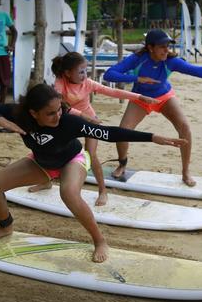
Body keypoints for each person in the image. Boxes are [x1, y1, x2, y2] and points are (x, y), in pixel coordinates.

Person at [0, 83, 186, 262]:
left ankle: (99, 240)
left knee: (69, 194)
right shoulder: (18, 114)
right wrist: (0, 119)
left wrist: (152, 137)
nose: (58, 116)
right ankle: (6, 227)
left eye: (60, 109)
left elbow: (108, 133)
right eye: (50, 113)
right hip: (40, 162)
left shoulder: (69, 121)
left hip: (72, 160)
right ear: (33, 113)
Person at [103, 29, 202, 186]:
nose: (166, 50)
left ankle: (185, 172)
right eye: (162, 46)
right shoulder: (137, 59)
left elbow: (199, 71)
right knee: (123, 131)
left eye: (168, 46)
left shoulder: (171, 61)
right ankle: (122, 163)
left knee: (185, 128)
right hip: (141, 99)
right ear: (150, 47)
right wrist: (137, 78)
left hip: (164, 97)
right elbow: (109, 74)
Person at [28, 51, 159, 206]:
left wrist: (138, 96)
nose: (85, 75)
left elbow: (112, 91)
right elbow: (62, 106)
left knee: (91, 154)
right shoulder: (59, 84)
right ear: (67, 73)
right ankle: (47, 181)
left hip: (89, 120)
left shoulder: (88, 83)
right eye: (81, 72)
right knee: (49, 149)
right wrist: (81, 115)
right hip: (67, 122)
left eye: (86, 71)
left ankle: (102, 190)